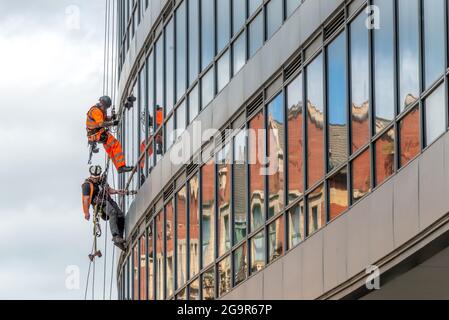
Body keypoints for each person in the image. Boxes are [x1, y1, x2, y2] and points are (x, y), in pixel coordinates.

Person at [81, 165, 136, 251]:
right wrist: (86, 212)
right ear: (91, 175)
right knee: (112, 212)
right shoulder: (87, 185)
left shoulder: (101, 180)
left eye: (97, 177)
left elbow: (108, 189)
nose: (96, 179)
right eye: (94, 178)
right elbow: (86, 199)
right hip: (99, 204)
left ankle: (119, 239)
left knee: (121, 216)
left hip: (108, 200)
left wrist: (117, 191)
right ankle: (115, 236)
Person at [86, 96, 133, 174]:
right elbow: (101, 123)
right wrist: (112, 123)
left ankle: (119, 167)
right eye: (106, 107)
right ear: (103, 104)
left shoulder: (100, 110)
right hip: (98, 134)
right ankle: (121, 166)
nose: (106, 109)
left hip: (97, 135)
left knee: (111, 151)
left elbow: (103, 119)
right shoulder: (96, 111)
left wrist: (111, 118)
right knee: (116, 144)